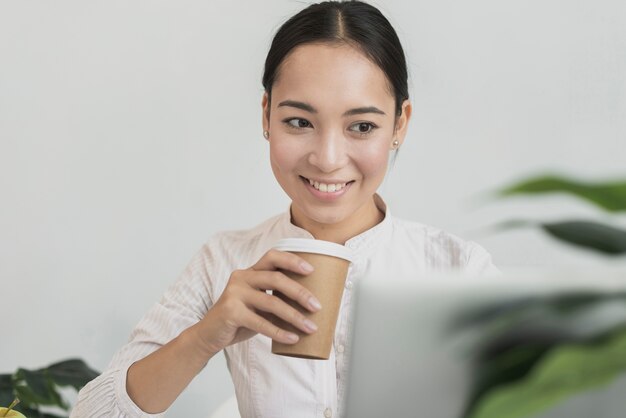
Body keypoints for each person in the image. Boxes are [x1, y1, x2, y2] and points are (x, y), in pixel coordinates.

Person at [71, 1, 498, 417]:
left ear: (399, 124)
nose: (328, 158)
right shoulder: (224, 262)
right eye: (299, 121)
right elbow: (93, 414)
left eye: (362, 126)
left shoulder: (460, 271)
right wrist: (204, 337)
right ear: (267, 115)